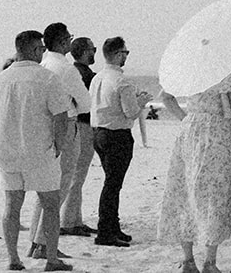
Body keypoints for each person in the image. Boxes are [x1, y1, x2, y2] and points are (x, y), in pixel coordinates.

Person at [0, 29, 74, 272]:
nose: (43, 53)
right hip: (39, 151)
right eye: (41, 49)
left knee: (12, 206)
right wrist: (58, 145)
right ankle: (51, 259)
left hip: (7, 152)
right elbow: (61, 116)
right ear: (34, 50)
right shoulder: (47, 78)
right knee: (50, 205)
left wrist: (0, 142)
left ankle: (13, 258)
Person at [157, 65, 231, 273]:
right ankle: (210, 261)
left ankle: (188, 259)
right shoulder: (226, 68)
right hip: (217, 130)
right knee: (213, 194)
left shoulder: (190, 65)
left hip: (190, 129)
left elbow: (166, 97)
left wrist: (186, 118)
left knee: (186, 191)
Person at [28, 22, 89, 263]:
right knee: (61, 184)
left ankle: (36, 240)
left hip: (43, 126)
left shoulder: (41, 64)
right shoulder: (65, 68)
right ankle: (44, 242)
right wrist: (73, 104)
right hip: (66, 126)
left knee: (44, 186)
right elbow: (84, 102)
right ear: (63, 42)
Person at [89, 36, 146, 248]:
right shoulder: (122, 81)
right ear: (116, 54)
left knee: (112, 182)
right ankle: (106, 230)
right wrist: (141, 101)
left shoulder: (98, 78)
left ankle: (112, 225)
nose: (126, 57)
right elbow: (131, 112)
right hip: (116, 135)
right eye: (125, 53)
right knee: (113, 184)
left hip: (99, 133)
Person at [60, 37, 98, 237]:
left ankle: (75, 218)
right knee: (78, 174)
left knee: (77, 175)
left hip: (79, 125)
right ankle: (68, 220)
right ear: (85, 52)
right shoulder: (85, 75)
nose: (94, 52)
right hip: (83, 125)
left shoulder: (77, 72)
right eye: (93, 49)